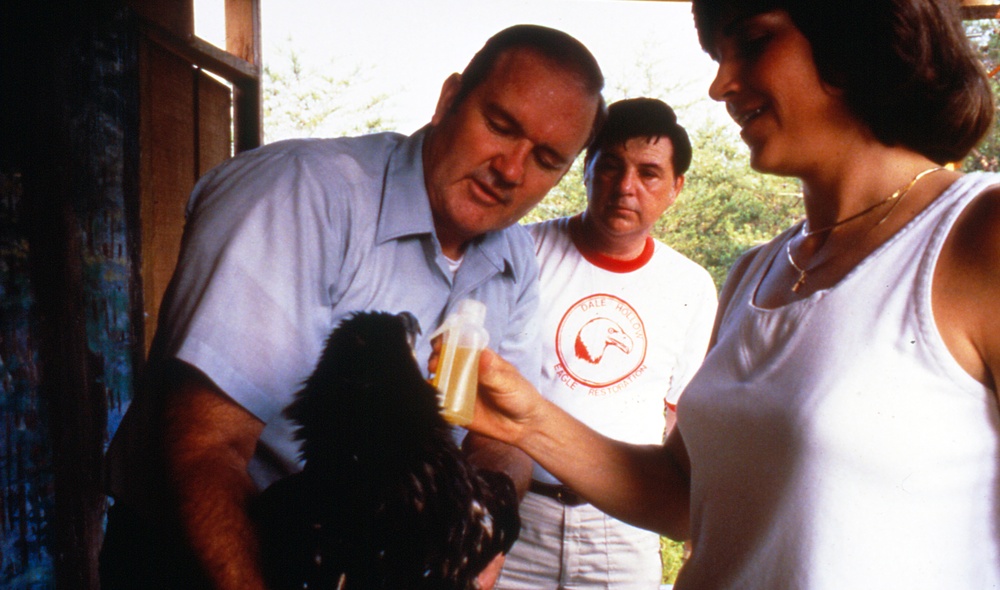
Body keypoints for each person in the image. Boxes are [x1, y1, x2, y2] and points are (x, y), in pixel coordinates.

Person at [465, 1, 1000, 588]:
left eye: (752, 41)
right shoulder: (756, 272)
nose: (721, 84)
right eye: (720, 56)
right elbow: (685, 495)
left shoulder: (977, 233)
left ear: (857, 36)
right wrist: (525, 418)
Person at [99, 24, 606, 590]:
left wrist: (475, 533)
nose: (510, 169)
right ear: (449, 100)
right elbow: (205, 451)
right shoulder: (300, 196)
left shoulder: (513, 253)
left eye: (545, 158)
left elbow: (500, 442)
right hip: (207, 555)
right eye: (500, 125)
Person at [494, 98, 716, 589]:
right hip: (517, 516)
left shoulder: (691, 286)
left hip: (624, 531)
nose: (625, 186)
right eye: (610, 165)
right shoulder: (520, 253)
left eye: (649, 172)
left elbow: (678, 417)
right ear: (586, 170)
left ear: (676, 188)